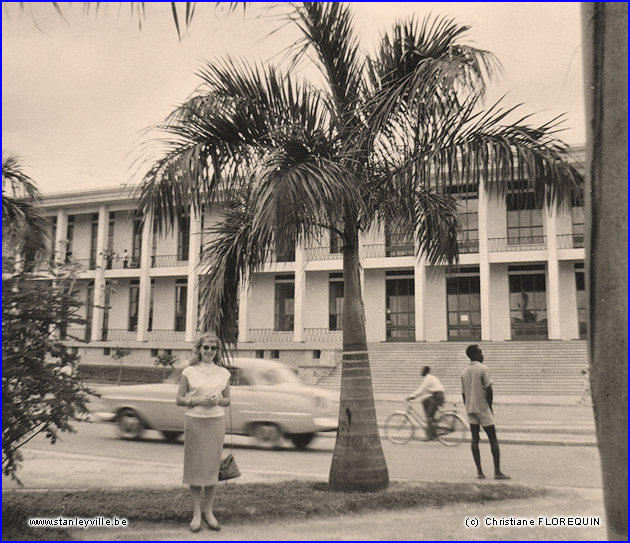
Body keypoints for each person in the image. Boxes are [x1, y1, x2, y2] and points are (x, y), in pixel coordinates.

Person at [176, 332, 231, 532]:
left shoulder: (223, 373)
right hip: (195, 423)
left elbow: (227, 400)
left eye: (213, 348)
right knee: (195, 469)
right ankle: (196, 514)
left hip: (215, 422)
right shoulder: (189, 372)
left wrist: (218, 401)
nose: (209, 351)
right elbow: (179, 399)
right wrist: (197, 400)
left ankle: (209, 512)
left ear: (217, 351)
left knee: (210, 469)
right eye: (205, 347)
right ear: (199, 349)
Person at [461, 344, 510, 480]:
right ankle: (497, 471)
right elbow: (489, 389)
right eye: (480, 353)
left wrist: (467, 406)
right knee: (492, 438)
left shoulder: (464, 372)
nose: (482, 355)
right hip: (482, 408)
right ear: (475, 355)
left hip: (470, 408)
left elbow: (463, 393)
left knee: (475, 439)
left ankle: (479, 472)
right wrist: (490, 407)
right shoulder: (483, 369)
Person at [406, 366, 445, 440]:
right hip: (438, 396)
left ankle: (430, 435)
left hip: (438, 396)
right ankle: (431, 422)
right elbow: (426, 390)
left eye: (422, 370)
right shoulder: (430, 377)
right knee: (424, 401)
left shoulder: (428, 378)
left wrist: (412, 396)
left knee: (429, 415)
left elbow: (421, 389)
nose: (421, 372)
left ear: (425, 371)